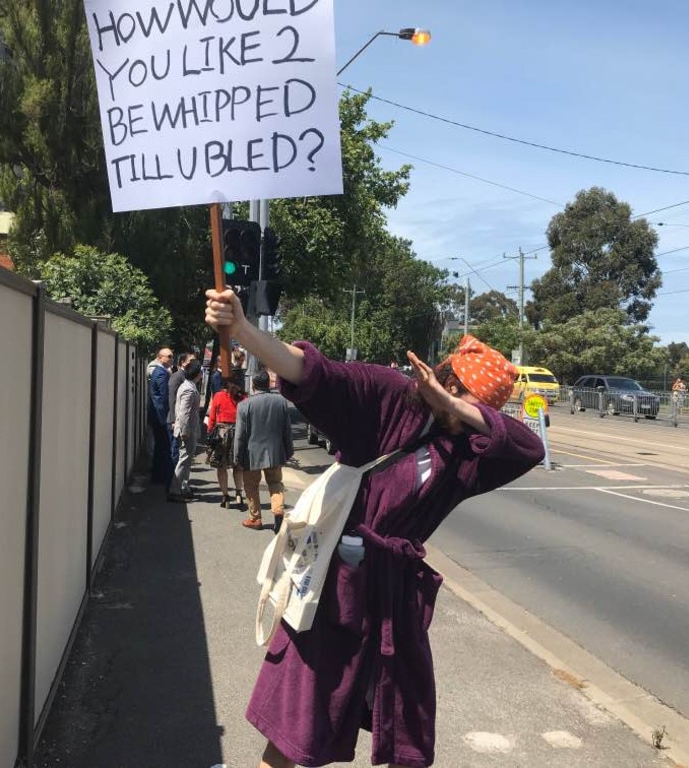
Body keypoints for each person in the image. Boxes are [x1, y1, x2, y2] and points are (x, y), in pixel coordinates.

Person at [205, 287, 544, 768]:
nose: (471, 422)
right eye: (469, 402)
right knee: (303, 722)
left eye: (481, 414)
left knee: (408, 724)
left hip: (396, 598)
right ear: (446, 376)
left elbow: (528, 448)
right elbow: (313, 372)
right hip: (336, 587)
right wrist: (242, 330)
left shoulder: (469, 452)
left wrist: (462, 411)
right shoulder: (389, 396)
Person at [234, 370, 294, 531]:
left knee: (251, 486)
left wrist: (237, 457)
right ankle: (278, 510)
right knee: (275, 482)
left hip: (251, 454)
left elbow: (240, 435)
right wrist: (289, 450)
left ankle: (255, 518)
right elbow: (286, 429)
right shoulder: (281, 402)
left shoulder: (244, 405)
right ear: (268, 385)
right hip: (275, 452)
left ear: (253, 386)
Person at [207, 370, 246, 508]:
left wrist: (209, 433)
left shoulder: (218, 396)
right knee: (238, 466)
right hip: (239, 433)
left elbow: (212, 417)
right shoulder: (243, 398)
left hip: (222, 434)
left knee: (221, 466)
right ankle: (239, 494)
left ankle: (225, 496)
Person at [169, 360, 203, 501]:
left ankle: (184, 487)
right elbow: (184, 414)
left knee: (187, 459)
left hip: (188, 429)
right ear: (197, 374)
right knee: (184, 460)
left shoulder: (189, 385)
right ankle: (174, 490)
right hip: (187, 430)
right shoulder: (189, 389)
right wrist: (184, 431)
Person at [148, 347, 174, 484]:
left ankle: (157, 476)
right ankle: (161, 477)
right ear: (160, 357)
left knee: (160, 446)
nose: (171, 359)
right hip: (161, 416)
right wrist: (168, 417)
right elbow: (164, 398)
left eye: (172, 356)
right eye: (168, 356)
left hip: (157, 414)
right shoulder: (161, 374)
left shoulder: (160, 372)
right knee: (163, 446)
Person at [168, 352, 197, 469]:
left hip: (182, 421)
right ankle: (173, 483)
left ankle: (182, 484)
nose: (194, 364)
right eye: (191, 361)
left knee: (182, 454)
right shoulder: (177, 376)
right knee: (176, 453)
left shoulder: (185, 376)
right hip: (177, 421)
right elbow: (172, 399)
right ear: (183, 362)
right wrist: (173, 420)